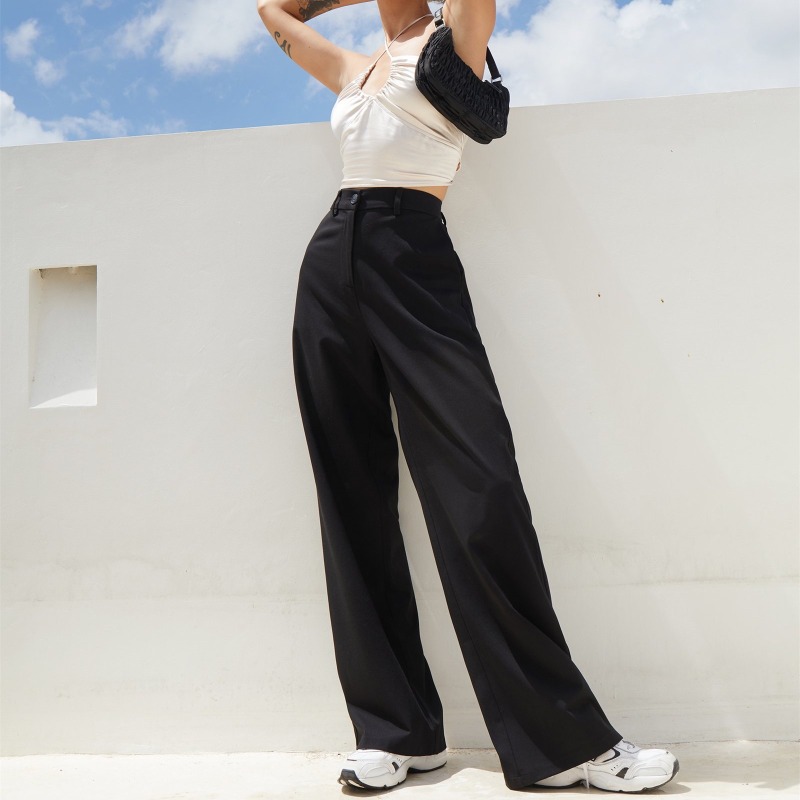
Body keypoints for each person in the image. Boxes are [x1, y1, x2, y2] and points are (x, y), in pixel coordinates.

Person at [256, 0, 679, 793]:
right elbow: (271, 10)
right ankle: (397, 732)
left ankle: (563, 742)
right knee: (350, 497)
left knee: (480, 488)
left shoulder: (457, 42)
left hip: (413, 254)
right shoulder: (355, 68)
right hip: (332, 262)